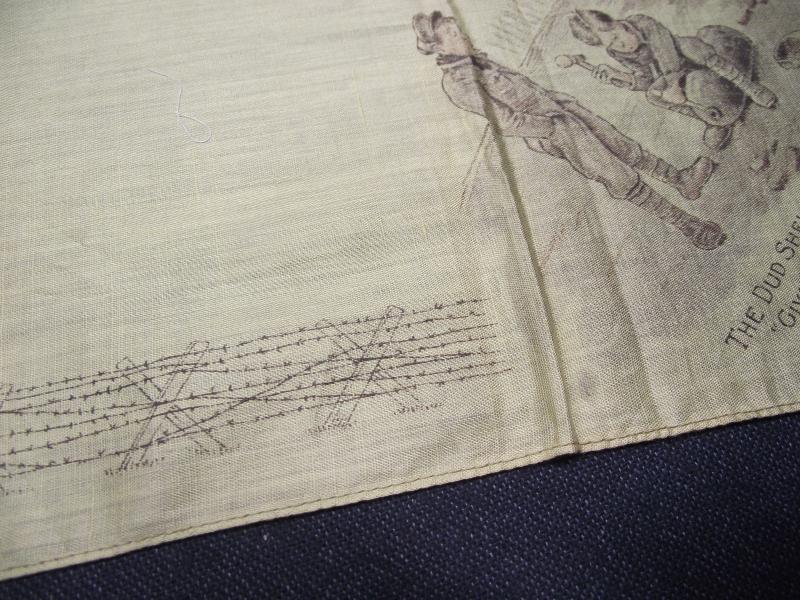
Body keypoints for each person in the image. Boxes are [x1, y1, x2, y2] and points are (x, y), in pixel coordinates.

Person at [413, 11, 725, 250]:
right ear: (438, 47)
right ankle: (688, 225)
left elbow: (524, 88)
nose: (461, 33)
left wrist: (560, 102)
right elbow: (505, 121)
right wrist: (550, 127)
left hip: (562, 110)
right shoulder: (458, 82)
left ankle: (682, 181)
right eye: (452, 34)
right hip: (553, 129)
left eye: (457, 28)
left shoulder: (478, 60)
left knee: (622, 146)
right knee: (616, 174)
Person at [568, 9, 778, 150]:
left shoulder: (643, 22)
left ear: (619, 24)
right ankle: (711, 118)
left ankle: (749, 87)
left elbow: (668, 57)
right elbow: (647, 79)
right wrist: (621, 77)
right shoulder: (617, 53)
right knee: (652, 95)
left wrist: (673, 84)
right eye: (611, 45)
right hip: (693, 82)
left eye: (616, 37)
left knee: (689, 46)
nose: (620, 45)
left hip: (705, 64)